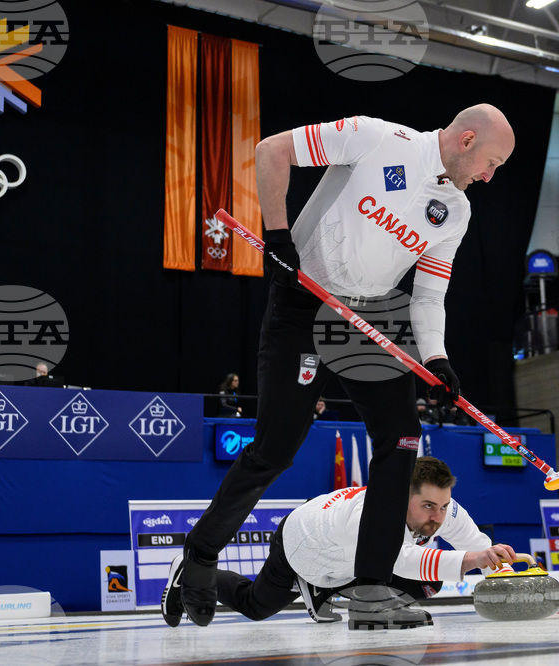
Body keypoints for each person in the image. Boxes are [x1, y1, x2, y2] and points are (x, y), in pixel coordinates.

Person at [172, 104, 515, 631]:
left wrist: (436, 357)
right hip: (304, 301)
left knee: (402, 434)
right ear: (467, 139)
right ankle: (198, 558)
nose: (490, 177)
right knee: (274, 449)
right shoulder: (377, 138)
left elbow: (428, 294)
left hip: (367, 315)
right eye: (491, 163)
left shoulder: (457, 209)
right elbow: (271, 151)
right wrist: (280, 237)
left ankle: (373, 586)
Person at [164, 457, 514, 627]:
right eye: (427, 506)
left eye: (443, 506)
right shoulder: (371, 515)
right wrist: (472, 561)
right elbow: (402, 561)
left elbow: (474, 541)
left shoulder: (441, 509)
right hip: (301, 544)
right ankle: (188, 573)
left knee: (430, 577)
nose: (436, 517)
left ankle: (323, 590)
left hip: (341, 554)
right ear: (401, 495)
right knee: (257, 607)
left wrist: (503, 572)